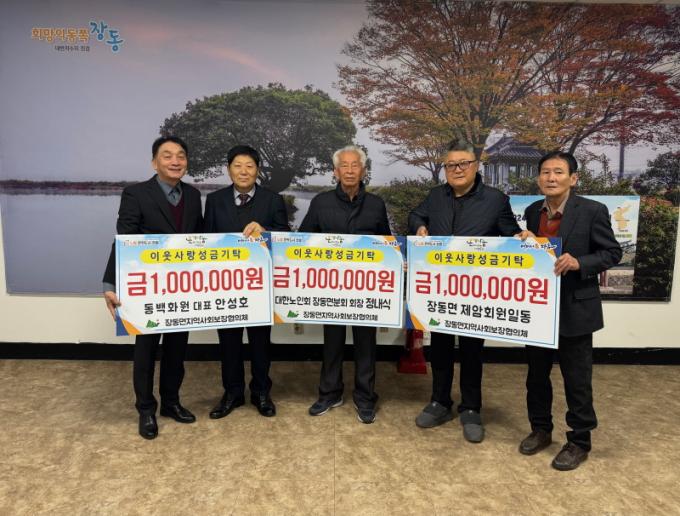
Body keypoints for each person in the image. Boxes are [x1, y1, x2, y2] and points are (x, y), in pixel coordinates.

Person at [408, 139, 521, 443]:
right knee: (440, 348)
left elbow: (511, 234)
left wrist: (523, 238)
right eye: (451, 165)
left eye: (463, 164)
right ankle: (439, 402)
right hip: (440, 288)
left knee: (472, 351)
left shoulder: (495, 200)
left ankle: (471, 408)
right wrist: (419, 227)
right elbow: (416, 214)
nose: (457, 170)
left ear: (476, 165)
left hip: (475, 290)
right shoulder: (436, 196)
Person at [517, 151, 621, 470]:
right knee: (536, 375)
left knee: (577, 379)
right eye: (545, 172)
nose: (551, 177)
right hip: (538, 307)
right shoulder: (533, 211)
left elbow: (612, 252)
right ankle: (540, 429)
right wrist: (524, 242)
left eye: (558, 172)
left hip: (575, 307)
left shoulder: (592, 210)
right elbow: (534, 255)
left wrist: (579, 262)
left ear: (573, 179)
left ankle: (579, 441)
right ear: (538, 178)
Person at [103, 135, 203, 440]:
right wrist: (110, 283)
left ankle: (171, 402)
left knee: (177, 349)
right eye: (167, 155)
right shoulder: (135, 194)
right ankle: (146, 408)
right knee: (146, 351)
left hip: (182, 288)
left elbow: (201, 241)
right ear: (154, 162)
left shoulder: (193, 195)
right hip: (147, 289)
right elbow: (124, 240)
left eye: (181, 156)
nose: (175, 161)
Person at [299, 145, 391, 424]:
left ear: (363, 171)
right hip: (331, 288)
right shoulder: (321, 202)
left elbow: (387, 244)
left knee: (366, 344)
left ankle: (365, 397)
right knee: (332, 342)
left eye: (355, 165)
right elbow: (303, 241)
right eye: (344, 166)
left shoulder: (376, 205)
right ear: (335, 172)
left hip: (366, 289)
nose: (350, 171)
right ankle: (329, 393)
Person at [204, 145, 290, 420]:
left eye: (249, 166)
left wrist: (267, 233)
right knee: (228, 342)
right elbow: (206, 240)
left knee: (260, 343)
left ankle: (261, 392)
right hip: (225, 285)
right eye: (238, 166)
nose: (243, 171)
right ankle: (232, 393)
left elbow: (285, 239)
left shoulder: (273, 200)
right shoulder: (214, 200)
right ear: (229, 170)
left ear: (258, 170)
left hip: (260, 285)